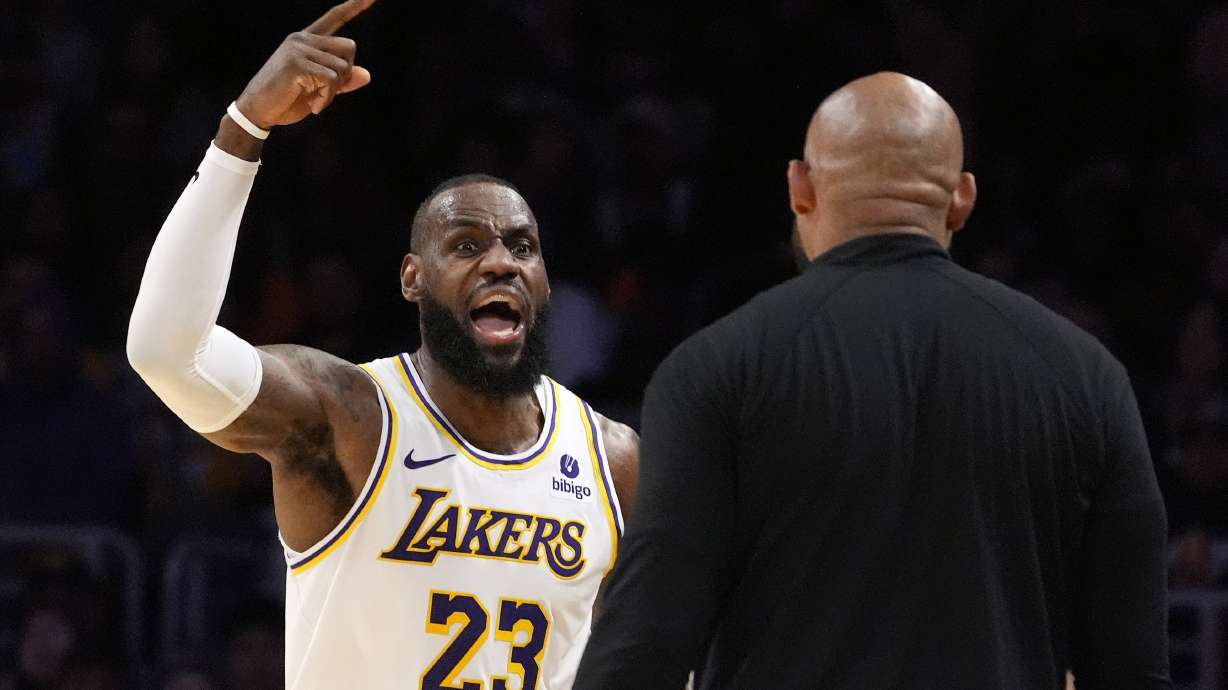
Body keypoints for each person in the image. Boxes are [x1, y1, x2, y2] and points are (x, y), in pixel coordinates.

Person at [574, 72, 1169, 689]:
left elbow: (645, 646)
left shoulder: (715, 368)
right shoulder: (1088, 377)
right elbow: (1133, 668)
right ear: (961, 198)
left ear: (800, 187)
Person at [125, 2, 638, 688]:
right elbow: (167, 352)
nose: (501, 262)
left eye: (522, 247)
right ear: (412, 279)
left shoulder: (612, 461)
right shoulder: (352, 418)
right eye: (466, 246)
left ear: (544, 280)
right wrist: (242, 127)